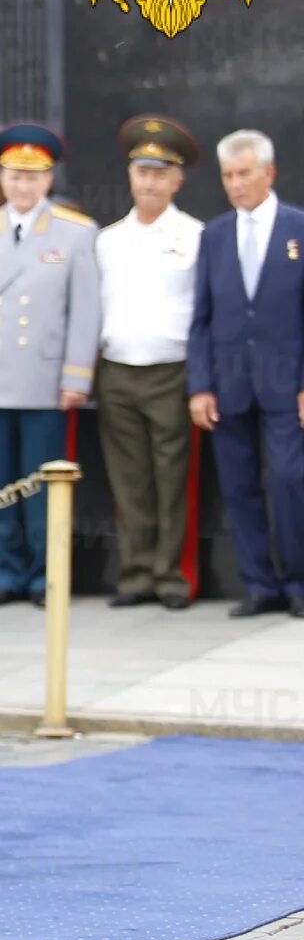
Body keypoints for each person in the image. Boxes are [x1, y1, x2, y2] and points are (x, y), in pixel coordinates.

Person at [0, 124, 100, 606]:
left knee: (40, 484)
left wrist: (77, 376)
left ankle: (42, 576)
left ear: (49, 179)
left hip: (44, 379)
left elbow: (85, 312)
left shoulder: (76, 233)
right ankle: (2, 574)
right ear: (1, 177)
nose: (23, 185)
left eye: (33, 177)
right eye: (14, 175)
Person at [188, 129, 304, 618]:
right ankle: (258, 584)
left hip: (286, 383)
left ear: (268, 173)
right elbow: (202, 317)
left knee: (287, 480)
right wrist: (200, 386)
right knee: (239, 485)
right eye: (228, 176)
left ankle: (298, 582)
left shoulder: (298, 228)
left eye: (244, 174)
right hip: (229, 382)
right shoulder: (213, 235)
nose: (235, 185)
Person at [96, 116, 203, 610]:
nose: (150, 181)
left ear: (177, 180)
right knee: (129, 478)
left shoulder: (196, 236)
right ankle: (136, 573)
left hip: (170, 371)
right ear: (130, 176)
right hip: (118, 369)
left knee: (171, 478)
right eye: (142, 171)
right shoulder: (109, 239)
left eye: (161, 173)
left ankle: (171, 577)